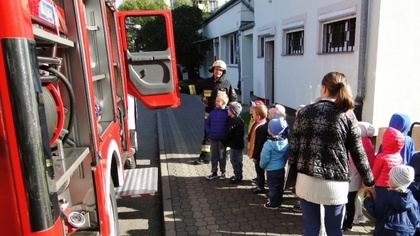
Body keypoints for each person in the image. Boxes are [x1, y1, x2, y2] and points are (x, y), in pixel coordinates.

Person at [288, 72, 375, 236]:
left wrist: (292, 180)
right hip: (335, 184)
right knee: (334, 229)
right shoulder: (348, 116)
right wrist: (369, 182)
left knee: (310, 229)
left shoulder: (305, 112)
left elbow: (294, 148)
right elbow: (358, 153)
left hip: (306, 180)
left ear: (324, 88)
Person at [179, 60, 237, 165]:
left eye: (220, 70)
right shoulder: (206, 82)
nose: (217, 72)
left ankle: (225, 155)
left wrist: (232, 116)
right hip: (209, 115)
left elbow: (233, 100)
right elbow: (194, 89)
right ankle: (205, 157)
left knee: (225, 134)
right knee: (208, 134)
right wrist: (180, 89)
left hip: (223, 116)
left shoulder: (227, 84)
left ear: (223, 72)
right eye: (216, 69)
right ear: (213, 70)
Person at [364, 165, 419, 236]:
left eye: (390, 177)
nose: (388, 179)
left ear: (395, 180)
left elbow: (376, 212)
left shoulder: (387, 196)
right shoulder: (412, 199)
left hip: (385, 232)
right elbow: (416, 220)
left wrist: (368, 199)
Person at [260, 118, 289, 209]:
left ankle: (273, 203)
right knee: (280, 185)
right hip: (280, 168)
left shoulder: (268, 144)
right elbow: (286, 156)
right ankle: (279, 200)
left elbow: (265, 158)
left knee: (272, 187)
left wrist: (262, 165)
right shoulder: (285, 142)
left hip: (271, 170)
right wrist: (283, 164)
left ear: (271, 131)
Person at [353, 121, 376, 225]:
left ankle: (356, 216)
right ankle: (358, 215)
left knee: (355, 197)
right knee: (358, 196)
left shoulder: (360, 142)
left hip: (356, 174)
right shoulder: (369, 144)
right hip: (364, 175)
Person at [372, 127, 405, 198]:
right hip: (393, 185)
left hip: (380, 186)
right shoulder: (399, 157)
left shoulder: (381, 157)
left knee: (379, 204)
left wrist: (369, 183)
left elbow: (375, 172)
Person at [205, 92, 230, 180]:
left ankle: (223, 172)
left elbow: (230, 125)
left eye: (217, 101)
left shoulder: (227, 113)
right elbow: (207, 123)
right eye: (216, 100)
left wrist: (227, 134)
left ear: (223, 103)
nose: (215, 102)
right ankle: (214, 172)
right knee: (214, 156)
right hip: (213, 138)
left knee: (222, 155)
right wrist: (209, 132)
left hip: (223, 139)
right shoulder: (213, 112)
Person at [247, 103, 268, 194]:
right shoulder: (261, 124)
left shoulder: (260, 128)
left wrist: (255, 156)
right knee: (259, 171)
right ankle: (260, 183)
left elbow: (259, 144)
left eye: (254, 114)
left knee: (259, 171)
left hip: (259, 155)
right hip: (261, 154)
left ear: (258, 117)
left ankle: (260, 187)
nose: (252, 115)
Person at [225, 102, 245, 184]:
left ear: (233, 111)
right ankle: (239, 174)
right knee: (239, 160)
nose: (227, 111)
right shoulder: (240, 120)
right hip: (240, 144)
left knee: (234, 160)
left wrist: (225, 141)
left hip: (234, 145)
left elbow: (229, 133)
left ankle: (237, 176)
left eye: (229, 109)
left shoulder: (233, 122)